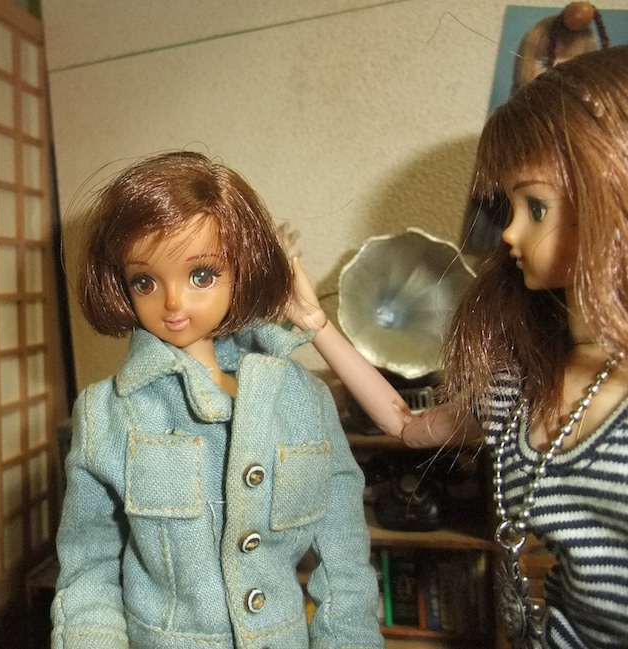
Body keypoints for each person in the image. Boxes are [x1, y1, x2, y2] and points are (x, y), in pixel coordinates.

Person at [287, 46, 628, 649]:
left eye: (536, 206)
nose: (509, 231)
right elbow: (405, 425)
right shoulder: (517, 387)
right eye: (510, 206)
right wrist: (316, 323)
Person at [50, 151, 384, 649]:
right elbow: (88, 568)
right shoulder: (108, 413)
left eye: (201, 275)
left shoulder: (303, 400)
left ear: (241, 272)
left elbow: (344, 558)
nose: (173, 302)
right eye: (145, 281)